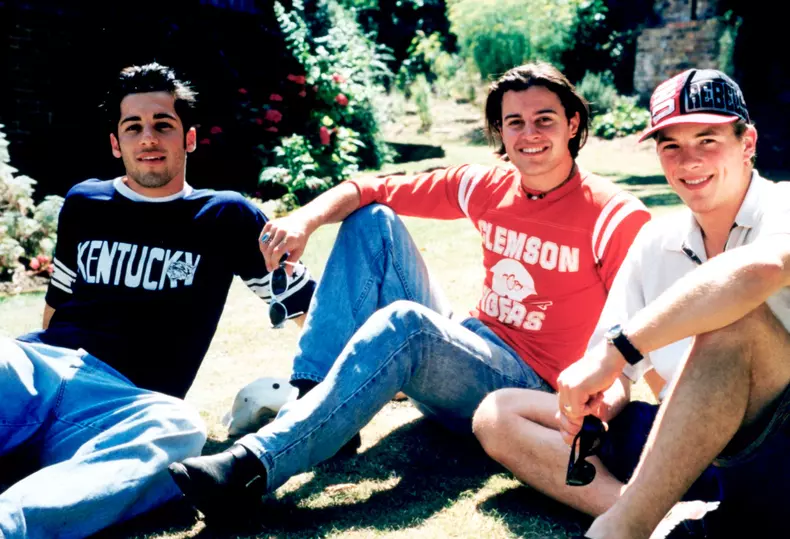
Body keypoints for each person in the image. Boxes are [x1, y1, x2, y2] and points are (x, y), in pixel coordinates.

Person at [167, 61, 651, 521]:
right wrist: (303, 219)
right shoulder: (486, 185)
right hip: (472, 344)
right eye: (515, 122)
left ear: (572, 123)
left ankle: (253, 467)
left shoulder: (613, 215)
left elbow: (638, 333)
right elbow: (367, 187)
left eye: (544, 119)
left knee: (408, 325)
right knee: (372, 219)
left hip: (527, 391)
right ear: (499, 133)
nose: (529, 134)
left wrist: (606, 402)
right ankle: (311, 391)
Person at [1, 62, 315, 539]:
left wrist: (357, 378)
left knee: (183, 429)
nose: (148, 138)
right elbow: (56, 305)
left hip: (125, 404)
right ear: (116, 143)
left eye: (162, 125)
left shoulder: (226, 215)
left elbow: (305, 311)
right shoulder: (84, 202)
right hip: (38, 368)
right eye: (134, 127)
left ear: (188, 138)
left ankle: (13, 523)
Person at [480, 67, 790, 539]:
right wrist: (600, 399)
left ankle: (622, 529)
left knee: (734, 321)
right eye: (671, 146)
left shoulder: (783, 206)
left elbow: (763, 269)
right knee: (497, 413)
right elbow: (615, 373)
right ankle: (659, 519)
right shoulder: (655, 241)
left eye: (707, 140)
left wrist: (614, 353)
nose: (689, 161)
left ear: (747, 142)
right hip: (688, 447)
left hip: (776, 447)